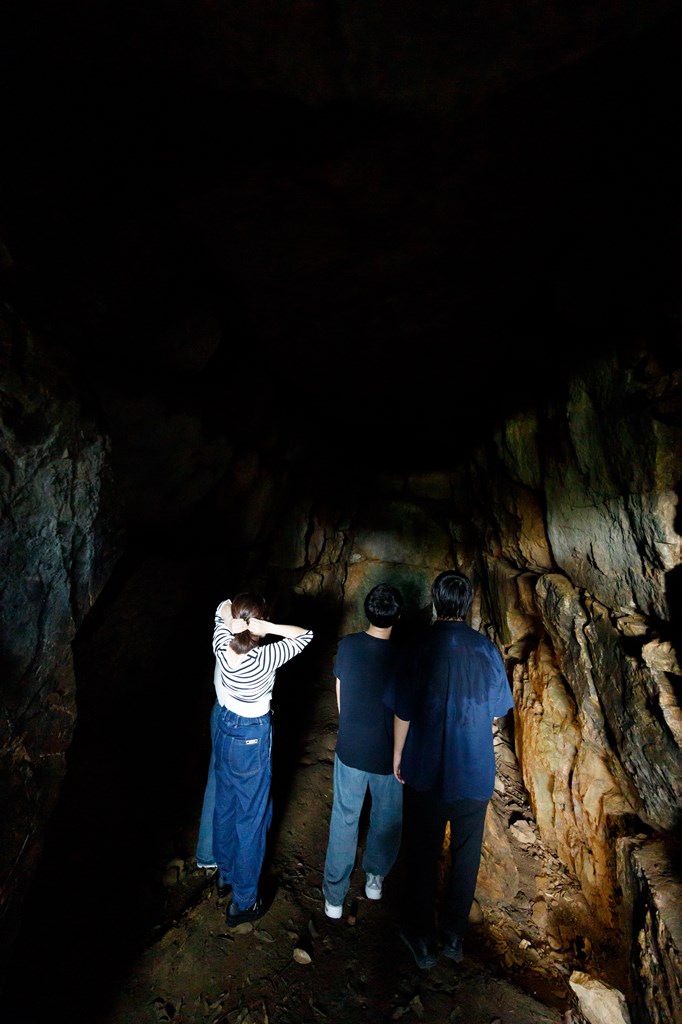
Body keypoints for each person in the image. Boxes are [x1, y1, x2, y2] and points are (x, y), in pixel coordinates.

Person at [388, 570, 514, 969]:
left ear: (436, 599)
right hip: (472, 773)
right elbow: (497, 711)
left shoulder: (417, 646)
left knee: (422, 855)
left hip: (425, 771)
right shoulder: (487, 650)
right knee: (465, 856)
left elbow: (403, 710)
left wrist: (397, 754)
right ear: (469, 602)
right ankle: (454, 937)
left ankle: (422, 940)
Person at [210, 593, 313, 927]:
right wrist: (267, 626)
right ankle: (244, 901)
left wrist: (232, 621)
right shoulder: (265, 658)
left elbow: (222, 606)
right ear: (257, 625)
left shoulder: (221, 643)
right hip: (251, 737)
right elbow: (305, 635)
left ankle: (224, 875)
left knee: (225, 803)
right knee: (252, 817)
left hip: (225, 728)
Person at [322, 583, 404, 919]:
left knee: (344, 818)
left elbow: (341, 693)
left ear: (366, 612)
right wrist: (399, 754)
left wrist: (350, 730)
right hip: (386, 755)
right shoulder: (402, 656)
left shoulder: (348, 645)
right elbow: (404, 712)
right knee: (386, 818)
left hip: (351, 748)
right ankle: (374, 878)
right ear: (397, 617)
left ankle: (334, 899)